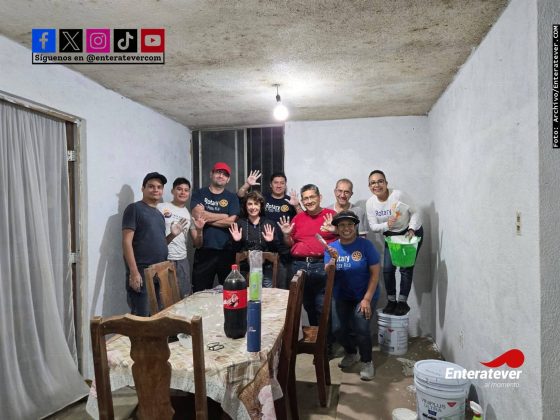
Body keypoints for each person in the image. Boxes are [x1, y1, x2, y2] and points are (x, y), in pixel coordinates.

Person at [325, 210, 380, 381]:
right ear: (337, 228)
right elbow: (328, 272)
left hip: (364, 295)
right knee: (337, 329)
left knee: (361, 328)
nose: (346, 228)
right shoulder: (331, 248)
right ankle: (351, 353)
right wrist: (333, 259)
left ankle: (367, 361)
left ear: (355, 226)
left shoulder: (365, 246)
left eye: (349, 224)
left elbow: (375, 274)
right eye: (342, 225)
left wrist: (367, 299)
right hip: (341, 295)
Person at [122, 172, 187, 316]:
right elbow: (126, 241)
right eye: (151, 186)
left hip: (159, 271)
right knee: (142, 317)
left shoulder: (159, 214)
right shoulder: (134, 209)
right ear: (143, 189)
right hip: (142, 271)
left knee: (157, 316)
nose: (155, 190)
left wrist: (172, 235)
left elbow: (160, 243)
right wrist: (134, 272)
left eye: (159, 187)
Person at [365, 170, 424, 316]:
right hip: (392, 235)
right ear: (369, 186)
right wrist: (387, 225)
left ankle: (402, 302)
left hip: (410, 231)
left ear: (386, 183)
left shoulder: (398, 195)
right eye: (373, 183)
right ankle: (391, 301)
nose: (377, 185)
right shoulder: (370, 203)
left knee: (405, 268)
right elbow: (373, 227)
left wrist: (411, 229)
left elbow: (415, 211)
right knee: (387, 269)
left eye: (380, 181)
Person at [278, 184, 337, 325]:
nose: (309, 201)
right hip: (300, 265)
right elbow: (290, 243)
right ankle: (314, 337)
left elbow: (345, 237)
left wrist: (335, 230)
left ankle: (324, 339)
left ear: (320, 197)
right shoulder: (298, 218)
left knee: (323, 307)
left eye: (312, 197)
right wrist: (286, 235)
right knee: (308, 307)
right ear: (302, 201)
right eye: (305, 198)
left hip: (322, 265)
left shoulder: (331, 215)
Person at [237, 170, 302, 288]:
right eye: (276, 182)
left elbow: (303, 219)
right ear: (271, 185)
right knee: (255, 285)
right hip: (264, 246)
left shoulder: (290, 201)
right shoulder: (263, 199)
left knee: (280, 285)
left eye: (282, 183)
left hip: (284, 248)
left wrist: (297, 205)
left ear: (285, 185)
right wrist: (247, 184)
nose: (279, 185)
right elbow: (241, 196)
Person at [190, 162, 240, 292]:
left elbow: (231, 221)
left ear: (228, 179)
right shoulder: (199, 193)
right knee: (200, 293)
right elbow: (197, 214)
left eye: (225, 174)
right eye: (218, 172)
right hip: (204, 251)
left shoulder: (232, 197)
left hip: (226, 251)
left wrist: (206, 218)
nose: (221, 176)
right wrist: (224, 215)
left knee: (230, 292)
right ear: (211, 174)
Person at [157, 177, 205, 297]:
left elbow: (197, 244)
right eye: (179, 189)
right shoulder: (160, 207)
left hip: (182, 260)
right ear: (172, 191)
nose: (183, 192)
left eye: (186, 190)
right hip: (163, 259)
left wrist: (200, 230)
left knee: (184, 297)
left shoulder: (189, 215)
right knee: (164, 298)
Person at [229, 191, 280, 287]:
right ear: (245, 206)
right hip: (244, 271)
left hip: (266, 270)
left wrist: (271, 242)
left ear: (261, 206)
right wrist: (237, 241)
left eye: (256, 204)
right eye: (250, 204)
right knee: (245, 294)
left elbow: (276, 250)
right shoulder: (240, 223)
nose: (253, 207)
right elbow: (233, 251)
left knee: (268, 295)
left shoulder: (269, 223)